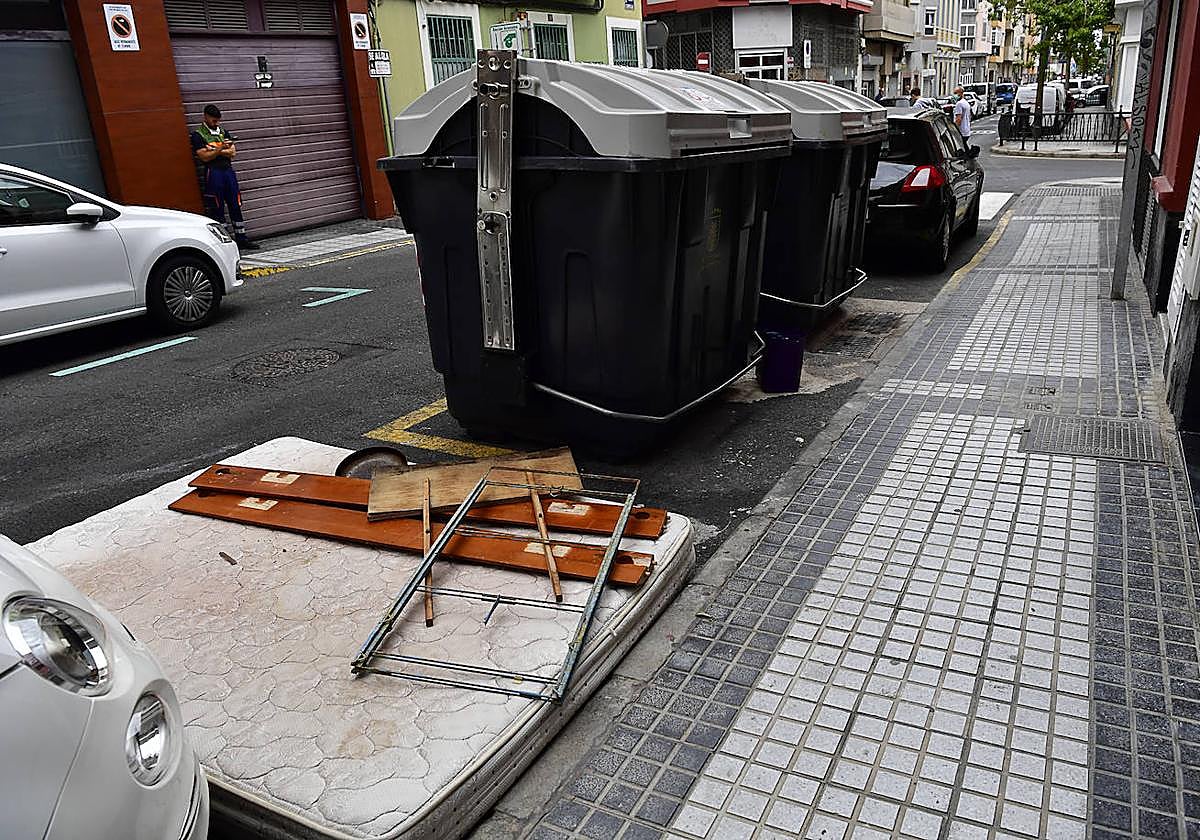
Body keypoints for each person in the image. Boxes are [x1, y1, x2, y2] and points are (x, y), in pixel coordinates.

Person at [190, 104, 258, 250]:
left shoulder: (223, 132)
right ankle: (224, 242)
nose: (217, 124)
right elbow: (204, 157)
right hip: (213, 173)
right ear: (206, 117)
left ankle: (242, 238)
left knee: (235, 204)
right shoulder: (198, 135)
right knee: (217, 207)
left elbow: (232, 153)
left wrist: (214, 149)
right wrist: (221, 148)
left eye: (218, 121)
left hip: (228, 171)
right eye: (214, 121)